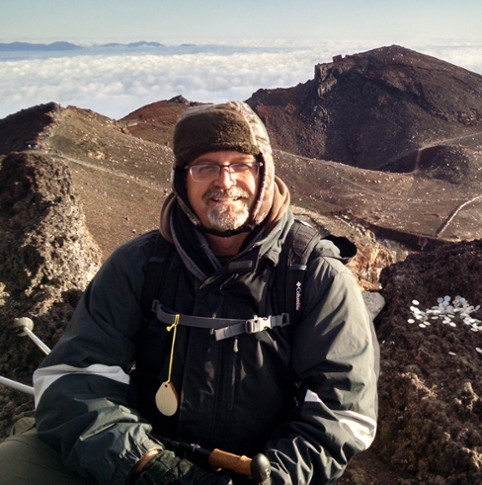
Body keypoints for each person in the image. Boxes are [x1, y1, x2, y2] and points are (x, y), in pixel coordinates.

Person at [0, 101, 378, 485]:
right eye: (205, 166)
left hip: (258, 471)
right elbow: (72, 379)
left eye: (241, 165)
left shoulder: (313, 275)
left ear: (264, 172)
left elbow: (343, 412)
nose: (225, 181)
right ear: (182, 178)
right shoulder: (140, 265)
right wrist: (144, 464)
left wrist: (273, 478)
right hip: (139, 459)